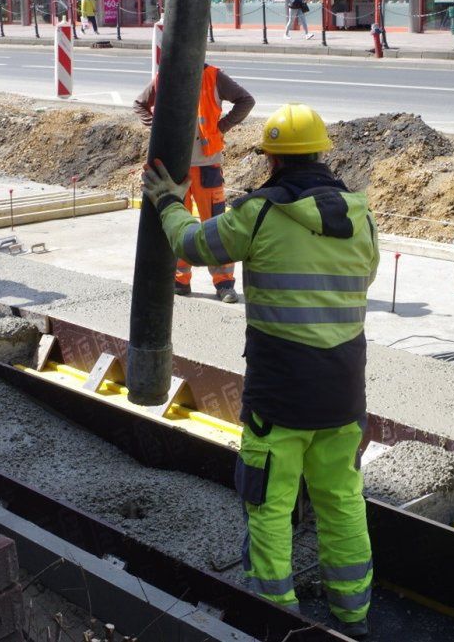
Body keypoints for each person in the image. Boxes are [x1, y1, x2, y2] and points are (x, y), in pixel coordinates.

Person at [142, 103, 377, 638]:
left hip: (279, 395)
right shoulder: (360, 214)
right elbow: (364, 275)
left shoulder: (261, 214)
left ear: (271, 159)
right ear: (321, 153)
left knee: (269, 504)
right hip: (343, 392)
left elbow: (192, 245)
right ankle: (355, 615)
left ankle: (276, 619)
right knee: (341, 501)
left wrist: (169, 204)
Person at [133, 63, 255, 302]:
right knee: (177, 221)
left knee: (217, 225)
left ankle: (224, 284)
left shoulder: (213, 77)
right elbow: (140, 104)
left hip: (206, 164)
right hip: (174, 167)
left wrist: (220, 127)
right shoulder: (166, 75)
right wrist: (156, 127)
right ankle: (180, 280)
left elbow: (246, 100)